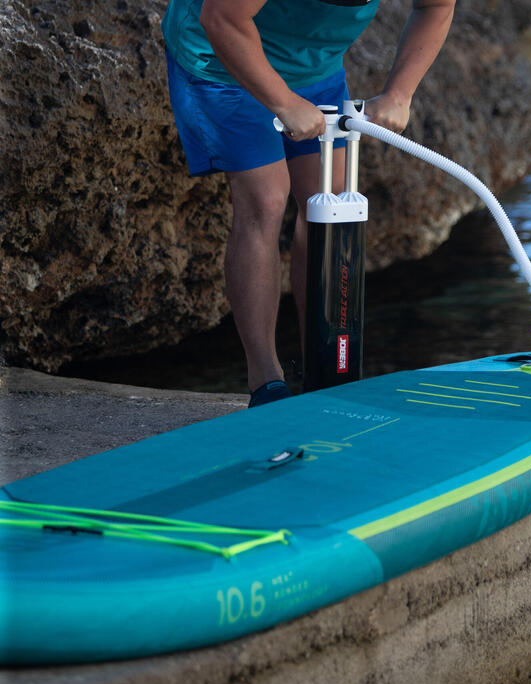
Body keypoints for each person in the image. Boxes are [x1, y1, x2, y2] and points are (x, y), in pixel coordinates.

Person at [161, 0, 455, 407]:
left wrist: (400, 93)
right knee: (264, 200)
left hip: (314, 69)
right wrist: (282, 102)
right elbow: (222, 18)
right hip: (222, 61)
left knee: (329, 204)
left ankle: (322, 370)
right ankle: (266, 379)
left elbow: (437, 7)